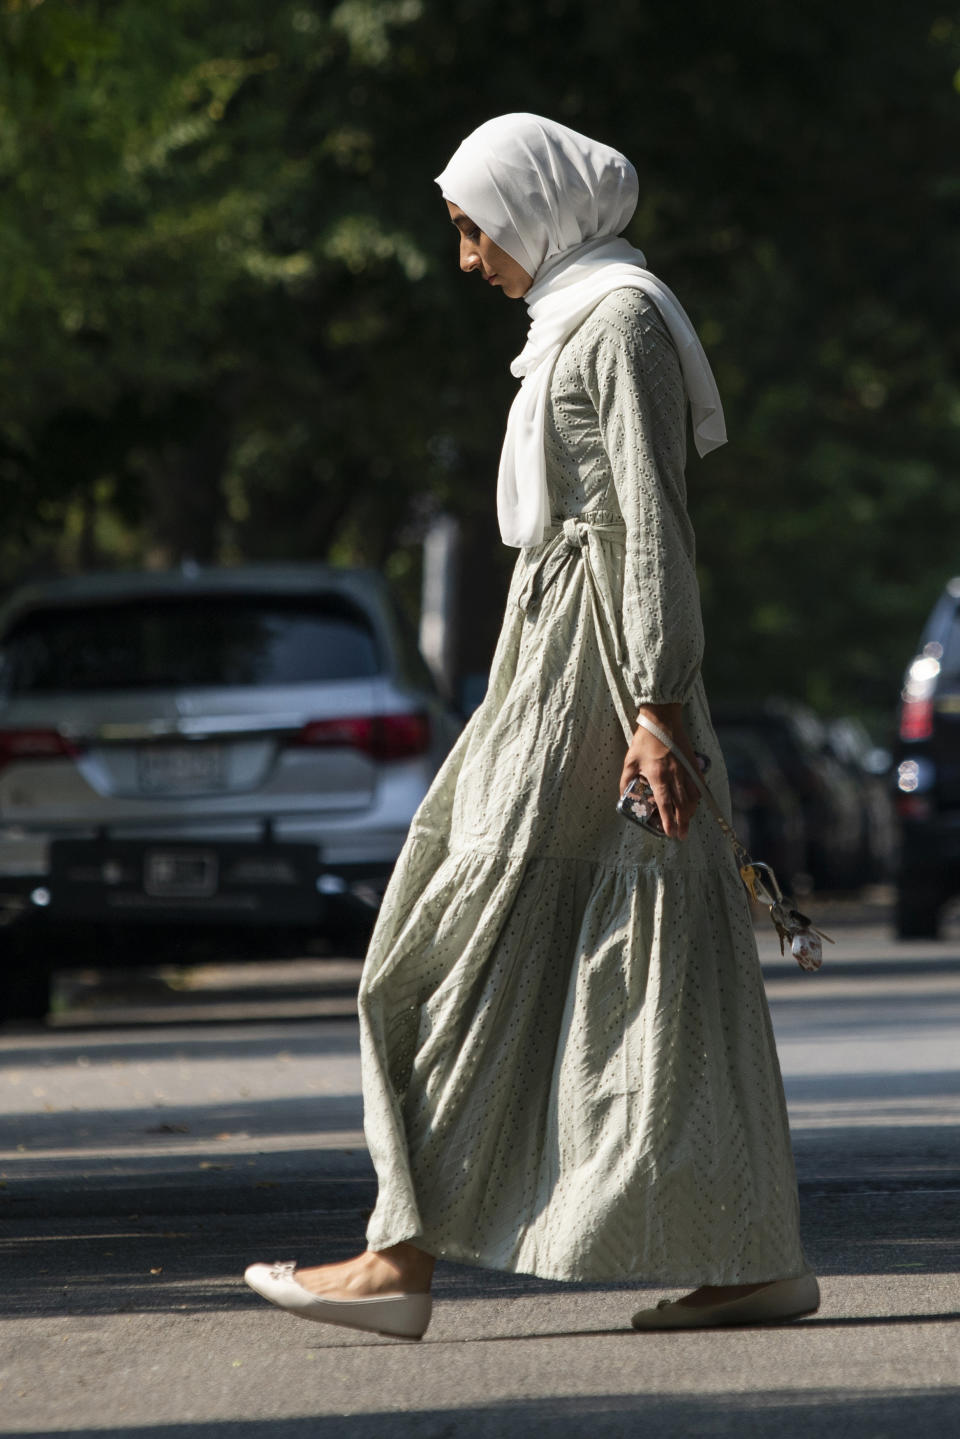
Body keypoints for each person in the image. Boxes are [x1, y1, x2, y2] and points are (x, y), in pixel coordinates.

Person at [244, 113, 819, 1339]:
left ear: (539, 203)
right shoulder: (580, 315)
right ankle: (754, 1255)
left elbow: (650, 521)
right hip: (567, 652)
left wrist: (656, 705)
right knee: (665, 955)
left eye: (473, 226)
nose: (467, 256)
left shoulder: (618, 321)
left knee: (447, 944)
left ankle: (398, 1257)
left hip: (598, 669)